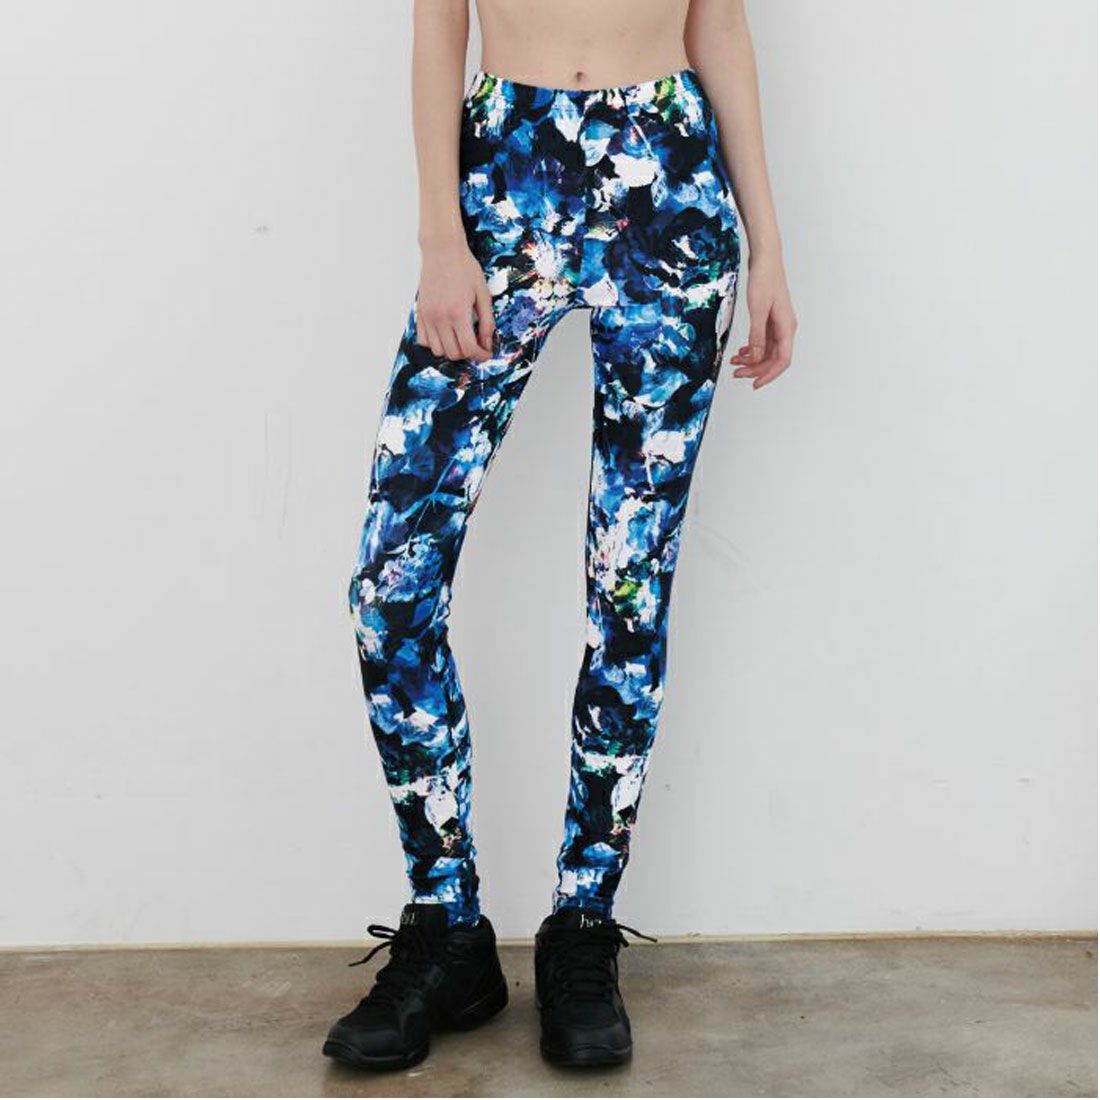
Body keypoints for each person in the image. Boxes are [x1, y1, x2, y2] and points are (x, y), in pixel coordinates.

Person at [324, 0, 796, 1071]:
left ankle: (582, 924)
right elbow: (438, 28)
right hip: (505, 173)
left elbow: (718, 27)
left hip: (668, 185)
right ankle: (446, 928)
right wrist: (439, 235)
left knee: (628, 590)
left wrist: (768, 245)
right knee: (389, 590)